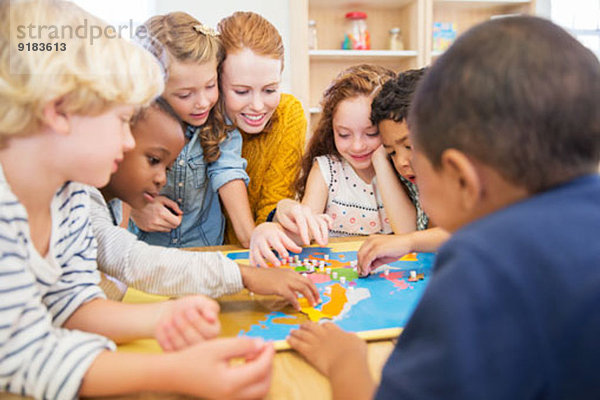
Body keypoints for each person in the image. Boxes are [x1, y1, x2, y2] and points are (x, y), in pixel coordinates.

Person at [288, 16, 600, 400]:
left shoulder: (479, 267)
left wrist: (345, 361)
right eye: (391, 153)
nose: (404, 165)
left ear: (460, 177)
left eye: (416, 154)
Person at [0, 1, 273, 398]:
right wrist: (173, 372)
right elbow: (21, 355)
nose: (129, 141)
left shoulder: (72, 197)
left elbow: (73, 306)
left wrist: (163, 316)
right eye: (122, 121)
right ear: (59, 111)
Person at [93, 98, 320, 309]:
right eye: (153, 160)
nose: (162, 178)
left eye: (167, 168)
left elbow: (128, 258)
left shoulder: (89, 204)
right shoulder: (86, 203)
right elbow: (130, 263)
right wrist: (244, 276)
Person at [128, 12, 251, 248]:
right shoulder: (130, 128)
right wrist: (136, 209)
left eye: (210, 85)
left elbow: (228, 173)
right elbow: (108, 188)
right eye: (185, 94)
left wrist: (252, 237)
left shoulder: (220, 127)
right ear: (153, 91)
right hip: (145, 255)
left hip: (203, 253)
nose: (203, 102)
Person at [217, 11, 332, 260]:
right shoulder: (204, 118)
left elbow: (271, 207)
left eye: (270, 89)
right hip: (204, 253)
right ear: (217, 83)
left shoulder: (288, 115)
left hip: (252, 252)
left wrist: (282, 211)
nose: (258, 106)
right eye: (241, 91)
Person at [294, 64, 417, 238]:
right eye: (344, 134)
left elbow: (408, 233)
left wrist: (380, 160)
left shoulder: (404, 167)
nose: (357, 146)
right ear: (332, 130)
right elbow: (304, 233)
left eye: (371, 133)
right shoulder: (326, 170)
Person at [357, 68, 450, 275]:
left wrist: (409, 242)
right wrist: (380, 157)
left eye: (409, 146)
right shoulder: (417, 178)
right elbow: (407, 232)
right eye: (392, 152)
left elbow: (477, 230)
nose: (401, 162)